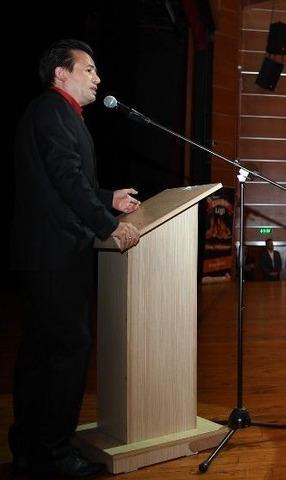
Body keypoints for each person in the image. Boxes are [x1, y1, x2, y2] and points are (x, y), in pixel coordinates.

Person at [10, 39, 141, 478]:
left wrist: (108, 197)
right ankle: (56, 453)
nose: (98, 79)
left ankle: (30, 447)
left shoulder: (51, 113)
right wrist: (109, 224)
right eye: (89, 70)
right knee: (66, 353)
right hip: (57, 255)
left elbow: (58, 183)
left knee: (41, 354)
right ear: (60, 73)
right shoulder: (54, 112)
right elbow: (66, 179)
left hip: (44, 253)